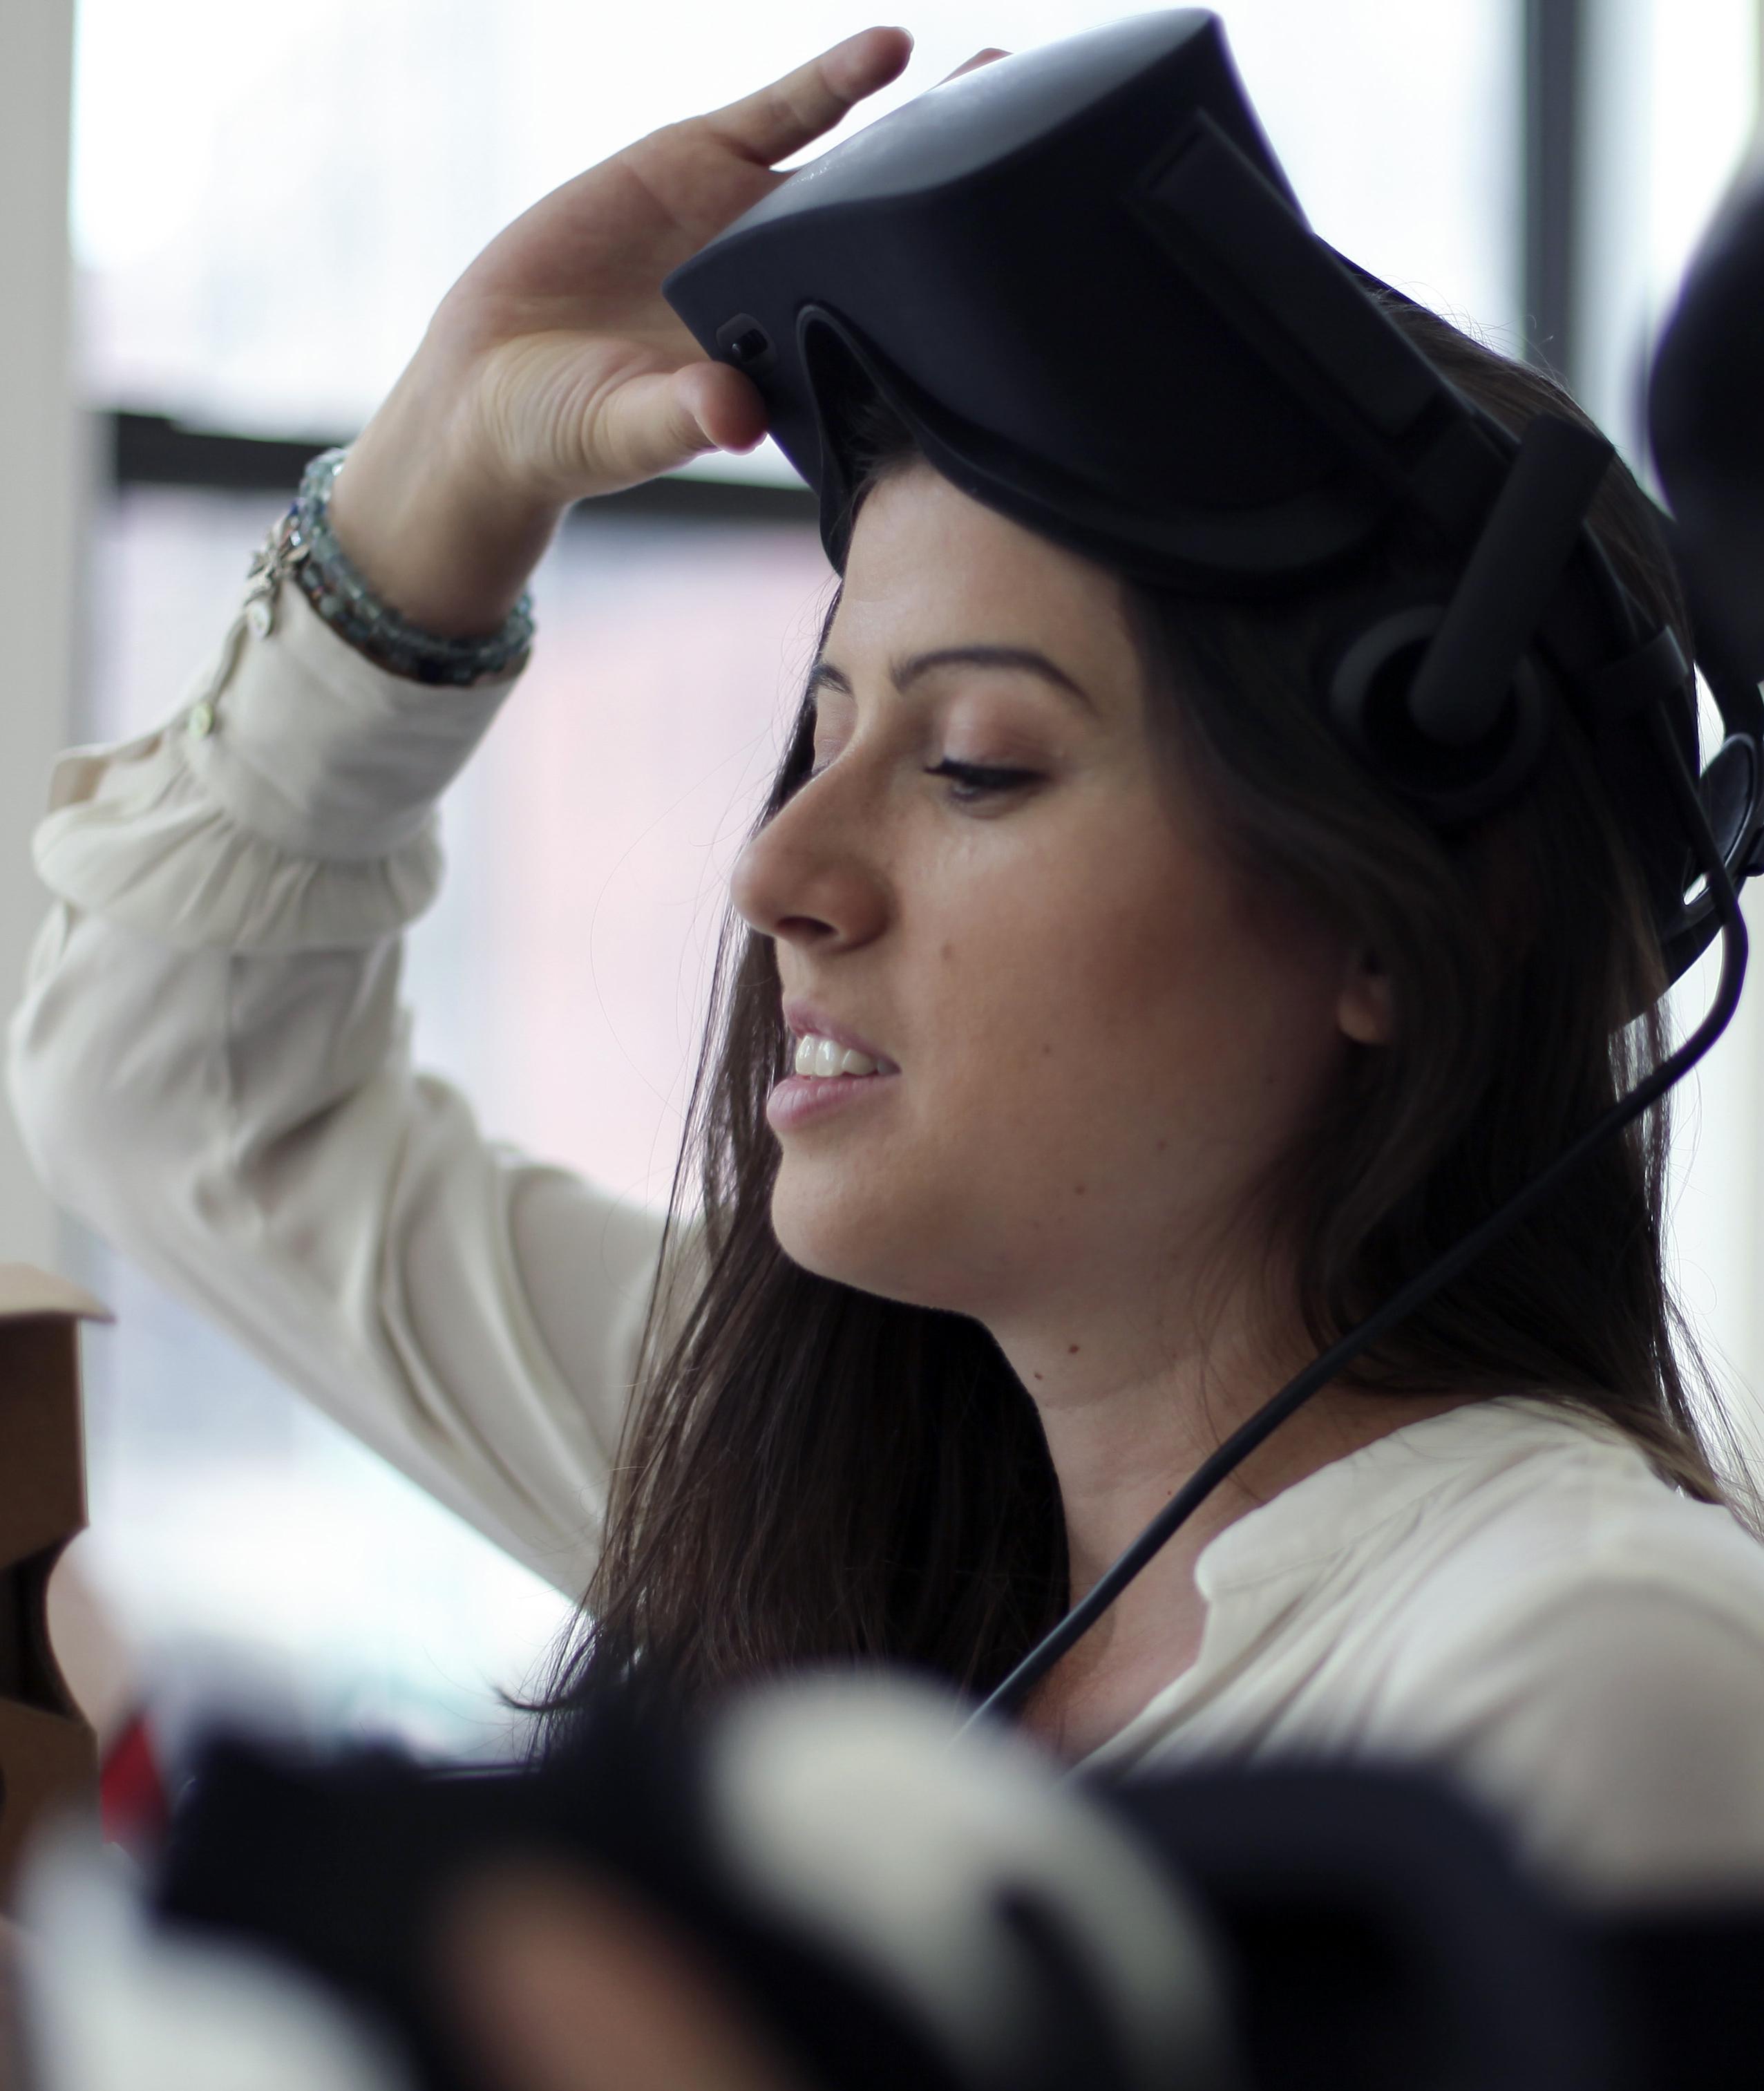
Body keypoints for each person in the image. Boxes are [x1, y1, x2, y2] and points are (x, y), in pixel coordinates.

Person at [12, 21, 1764, 1947]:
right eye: (819, 734)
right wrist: (430, 481)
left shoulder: (1586, 1679)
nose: (776, 872)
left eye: (975, 764)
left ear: (1394, 928)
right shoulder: (801, 1476)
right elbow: (163, 1083)